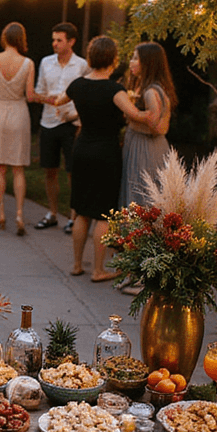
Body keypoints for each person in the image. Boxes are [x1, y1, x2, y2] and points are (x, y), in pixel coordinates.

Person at [46, 35, 154, 281]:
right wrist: (156, 112)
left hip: (82, 149)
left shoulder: (77, 85)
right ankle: (98, 269)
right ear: (113, 60)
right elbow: (136, 115)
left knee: (81, 210)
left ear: (91, 58)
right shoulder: (115, 90)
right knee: (104, 213)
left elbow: (59, 101)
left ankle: (76, 265)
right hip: (106, 153)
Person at [34, 22, 88, 233]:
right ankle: (52, 213)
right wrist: (52, 100)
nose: (54, 43)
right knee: (50, 170)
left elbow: (86, 95)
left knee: (73, 172)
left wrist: (76, 116)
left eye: (59, 40)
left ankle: (73, 217)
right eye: (53, 40)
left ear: (71, 42)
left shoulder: (82, 65)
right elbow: (38, 92)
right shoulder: (46, 62)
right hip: (48, 121)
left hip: (71, 123)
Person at [0, 21, 35, 233]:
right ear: (21, 39)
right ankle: (19, 214)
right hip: (19, 113)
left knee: (0, 168)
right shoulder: (28, 63)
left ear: (4, 38)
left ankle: (1, 213)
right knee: (18, 168)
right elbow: (30, 96)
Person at [120, 41, 176, 208]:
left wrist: (130, 113)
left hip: (144, 146)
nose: (131, 62)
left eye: (135, 58)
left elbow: (153, 120)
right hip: (146, 143)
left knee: (141, 194)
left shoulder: (151, 91)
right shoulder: (150, 87)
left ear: (148, 63)